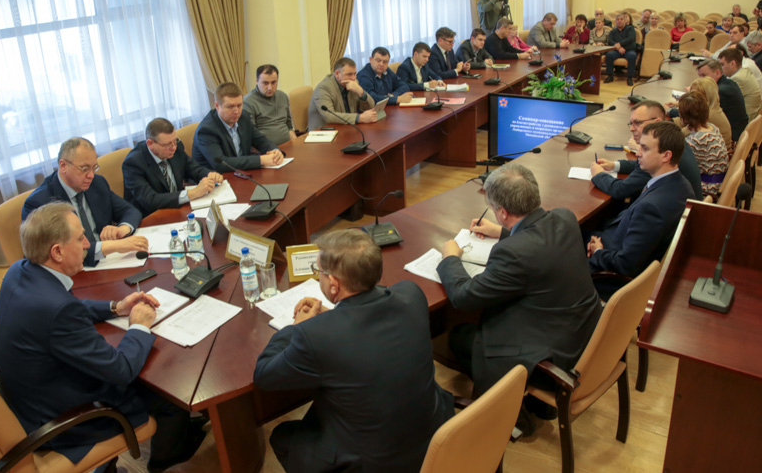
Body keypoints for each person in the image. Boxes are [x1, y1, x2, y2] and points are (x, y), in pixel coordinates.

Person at [0, 203, 206, 472]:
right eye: (80, 238)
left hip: (27, 405)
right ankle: (167, 459)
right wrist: (139, 326)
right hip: (63, 421)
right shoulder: (57, 310)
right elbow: (121, 370)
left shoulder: (21, 271)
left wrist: (116, 307)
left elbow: (68, 308)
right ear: (57, 252)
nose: (87, 244)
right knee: (168, 389)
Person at [255, 229, 454, 472]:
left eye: (319, 272)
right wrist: (333, 318)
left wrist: (296, 327)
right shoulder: (411, 294)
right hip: (433, 435)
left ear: (334, 284)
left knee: (282, 436)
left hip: (372, 464)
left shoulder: (314, 336)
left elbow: (264, 374)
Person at [436, 164, 602, 435]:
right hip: (581, 336)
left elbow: (464, 297)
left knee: (460, 337)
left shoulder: (512, 253)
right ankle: (540, 406)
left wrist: (450, 258)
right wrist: (502, 231)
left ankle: (511, 413)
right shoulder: (565, 218)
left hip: (551, 357)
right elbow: (539, 244)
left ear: (502, 212)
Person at [588, 121, 696, 278]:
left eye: (644, 148)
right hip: (619, 240)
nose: (638, 153)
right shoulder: (681, 184)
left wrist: (598, 251)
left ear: (666, 156)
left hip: (610, 270)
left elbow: (625, 264)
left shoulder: (652, 208)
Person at [22, 137, 146, 267]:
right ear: (63, 166)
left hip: (107, 262)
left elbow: (130, 211)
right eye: (84, 168)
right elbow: (55, 255)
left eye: (94, 167)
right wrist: (111, 246)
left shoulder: (96, 183)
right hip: (74, 271)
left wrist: (123, 229)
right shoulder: (40, 203)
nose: (91, 175)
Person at [591, 100, 703, 201]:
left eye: (637, 123)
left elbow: (620, 189)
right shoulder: (671, 138)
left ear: (656, 122)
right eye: (631, 123)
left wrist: (599, 174)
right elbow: (640, 164)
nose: (631, 128)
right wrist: (615, 165)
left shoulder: (661, 153)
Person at [122, 118, 224, 218]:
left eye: (175, 141)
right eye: (167, 144)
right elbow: (150, 200)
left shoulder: (176, 147)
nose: (173, 147)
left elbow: (193, 169)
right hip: (151, 217)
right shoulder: (133, 163)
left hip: (178, 210)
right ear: (150, 143)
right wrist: (191, 193)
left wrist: (210, 175)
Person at [193, 82, 284, 172]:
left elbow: (260, 140)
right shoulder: (206, 130)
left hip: (241, 172)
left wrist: (274, 151)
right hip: (217, 177)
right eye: (230, 107)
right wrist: (260, 160)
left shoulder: (243, 117)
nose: (236, 111)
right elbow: (221, 164)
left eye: (239, 105)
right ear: (217, 105)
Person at [677, 92, 729, 199]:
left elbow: (679, 166)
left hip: (707, 189)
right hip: (720, 183)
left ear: (683, 118)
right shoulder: (712, 127)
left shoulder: (695, 141)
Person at [308, 57, 377, 130]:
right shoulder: (324, 88)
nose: (353, 78)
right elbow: (329, 116)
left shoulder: (353, 84)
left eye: (355, 74)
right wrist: (359, 118)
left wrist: (361, 92)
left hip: (346, 127)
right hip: (323, 131)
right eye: (349, 74)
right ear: (337, 73)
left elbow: (371, 107)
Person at [697, 59, 749, 143]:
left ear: (717, 73)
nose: (700, 80)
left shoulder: (720, 91)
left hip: (732, 140)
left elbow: (697, 114)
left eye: (704, 75)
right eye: (700, 76)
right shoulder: (729, 83)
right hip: (737, 132)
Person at [243, 64, 296, 145]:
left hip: (288, 145)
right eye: (265, 83)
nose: (270, 88)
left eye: (273, 82)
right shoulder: (248, 102)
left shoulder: (282, 96)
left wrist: (296, 144)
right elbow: (251, 136)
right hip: (266, 149)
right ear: (257, 81)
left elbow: (289, 127)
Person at [718, 47, 762, 123]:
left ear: (732, 64)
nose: (720, 68)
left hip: (745, 121)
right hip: (752, 115)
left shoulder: (737, 79)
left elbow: (719, 100)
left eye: (722, 64)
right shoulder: (744, 71)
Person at [603, 12, 637, 86]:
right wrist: (619, 48)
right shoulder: (613, 31)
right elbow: (610, 41)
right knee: (609, 55)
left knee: (632, 56)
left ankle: (629, 77)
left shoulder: (630, 29)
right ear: (615, 21)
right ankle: (610, 76)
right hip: (617, 51)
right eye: (618, 19)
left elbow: (631, 39)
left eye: (621, 19)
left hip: (628, 50)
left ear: (625, 21)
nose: (619, 21)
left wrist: (620, 44)